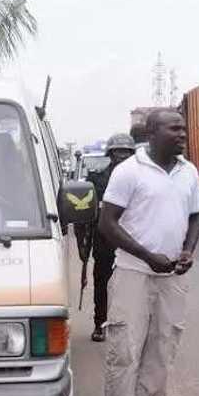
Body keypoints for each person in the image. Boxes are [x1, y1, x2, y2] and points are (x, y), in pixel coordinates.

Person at [99, 109, 199, 396]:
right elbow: (107, 223)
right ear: (152, 132)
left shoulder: (189, 171)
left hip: (171, 275)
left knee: (163, 345)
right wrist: (146, 256)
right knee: (126, 346)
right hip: (133, 272)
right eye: (175, 128)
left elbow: (196, 218)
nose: (182, 133)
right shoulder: (129, 172)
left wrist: (188, 250)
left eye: (184, 128)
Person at [83, 133, 135, 342]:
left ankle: (131, 324)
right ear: (110, 155)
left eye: (126, 152)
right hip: (105, 239)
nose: (122, 156)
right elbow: (86, 212)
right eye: (118, 152)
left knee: (135, 284)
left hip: (133, 240)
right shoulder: (96, 179)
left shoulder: (141, 179)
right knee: (102, 282)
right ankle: (100, 323)